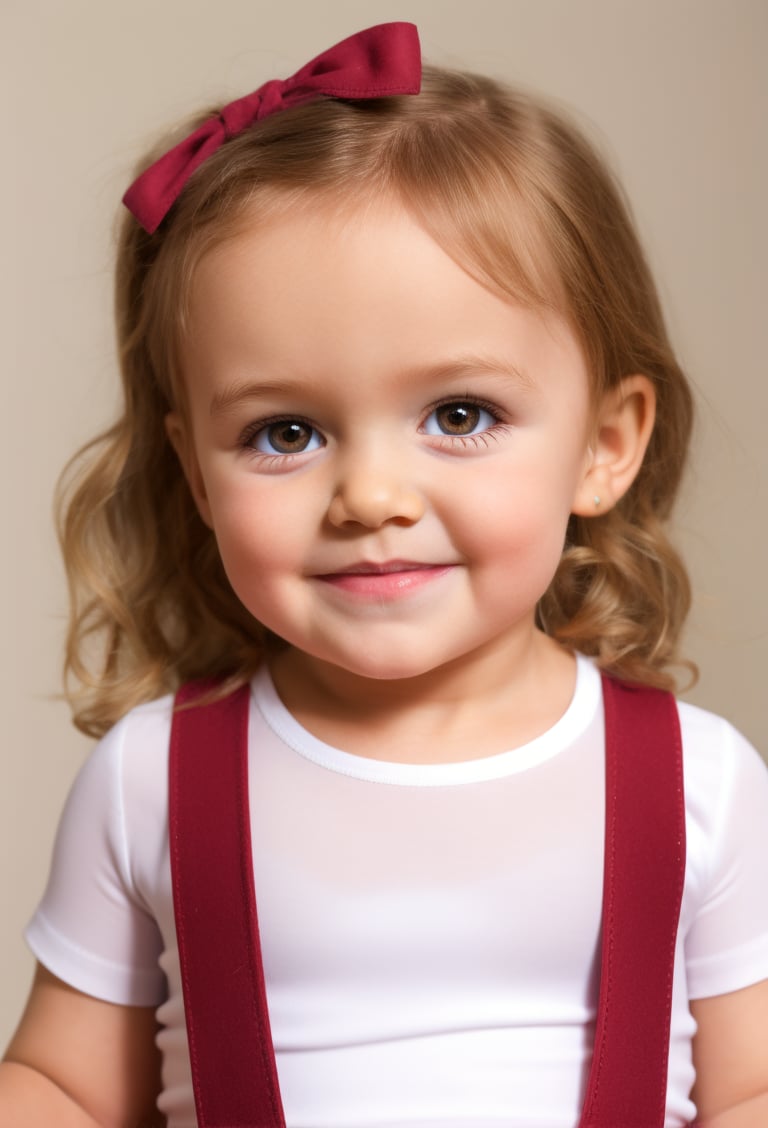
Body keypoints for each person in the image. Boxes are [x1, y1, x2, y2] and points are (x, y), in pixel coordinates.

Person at [2, 21, 767, 1128]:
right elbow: (66, 1084)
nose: (371, 496)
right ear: (194, 472)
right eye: (285, 432)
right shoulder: (151, 781)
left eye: (460, 415)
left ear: (605, 443)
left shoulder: (701, 784)